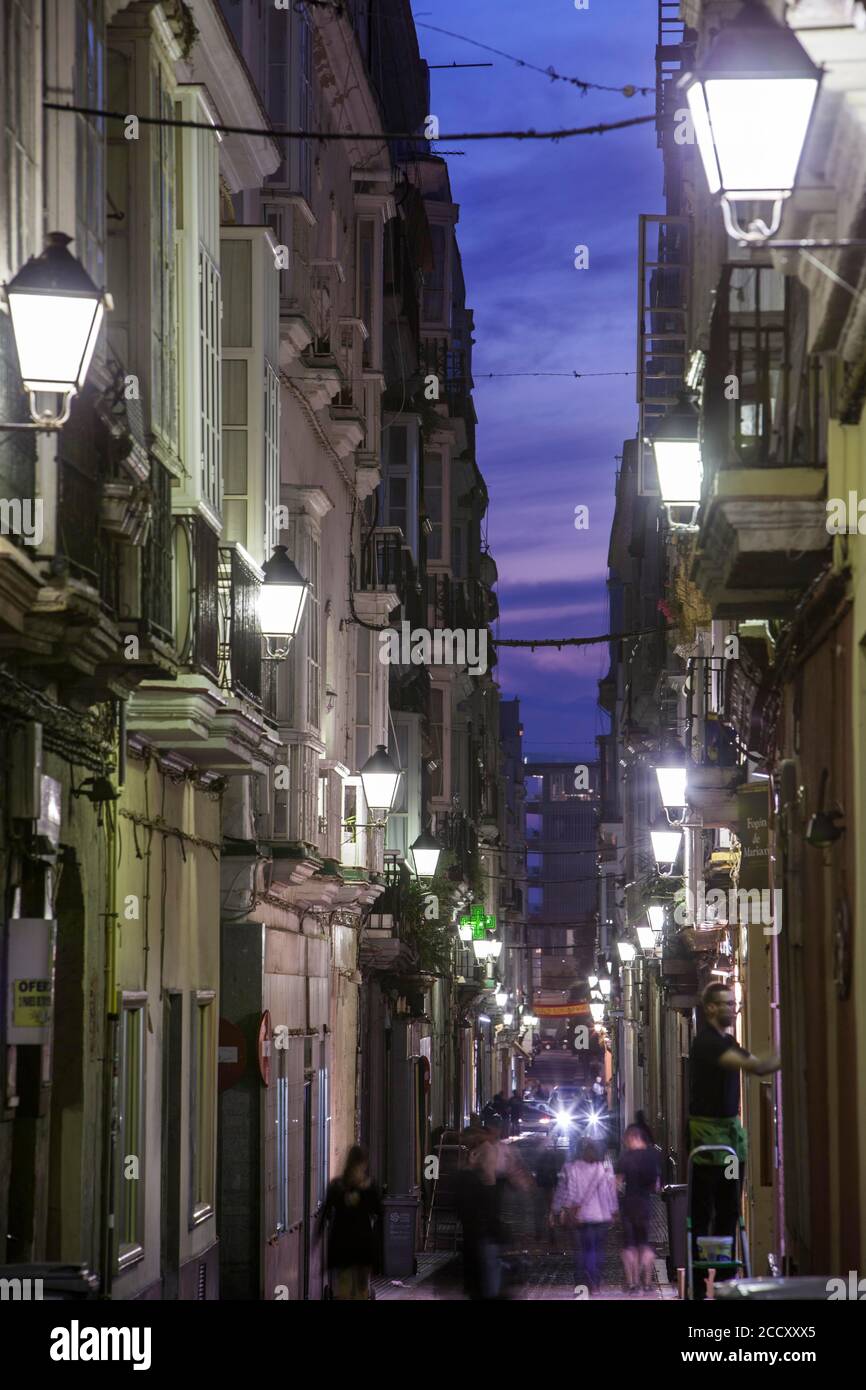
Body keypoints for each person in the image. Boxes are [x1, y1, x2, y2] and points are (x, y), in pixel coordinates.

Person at [688, 981, 780, 1299]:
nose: (732, 1008)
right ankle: (703, 1283)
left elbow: (753, 1062)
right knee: (705, 1209)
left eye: (732, 1003)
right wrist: (790, 1050)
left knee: (727, 1207)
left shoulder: (728, 1040)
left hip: (727, 1144)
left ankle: (725, 1279)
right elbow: (753, 1065)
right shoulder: (708, 1044)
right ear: (710, 1008)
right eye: (726, 1003)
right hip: (708, 1145)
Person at [552, 1137, 618, 1296]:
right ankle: (594, 1283)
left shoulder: (573, 1168)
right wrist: (614, 1210)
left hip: (584, 1217)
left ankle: (584, 1284)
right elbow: (611, 1192)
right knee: (598, 1250)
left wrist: (562, 1211)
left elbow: (571, 1194)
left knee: (584, 1251)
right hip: (602, 1216)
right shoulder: (605, 1169)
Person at [319, 1145, 381, 1300]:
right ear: (363, 1164)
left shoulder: (337, 1186)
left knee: (344, 1287)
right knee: (361, 1287)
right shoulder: (369, 1186)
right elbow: (379, 1211)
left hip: (342, 1245)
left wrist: (317, 1238)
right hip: (362, 1244)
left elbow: (325, 1213)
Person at [616, 1123, 661, 1294]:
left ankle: (633, 1283)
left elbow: (617, 1184)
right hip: (645, 1204)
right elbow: (656, 1185)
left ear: (633, 1138)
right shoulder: (653, 1156)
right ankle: (648, 1283)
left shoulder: (625, 1157)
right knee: (645, 1244)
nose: (626, 1144)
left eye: (627, 1140)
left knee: (629, 1246)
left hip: (628, 1204)